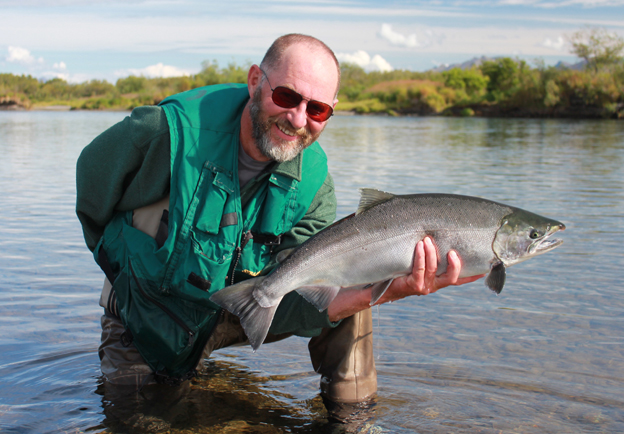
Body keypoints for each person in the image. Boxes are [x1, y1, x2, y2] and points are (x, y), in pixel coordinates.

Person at [76, 33, 482, 412]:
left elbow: (293, 302)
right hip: (148, 313)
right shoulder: (166, 133)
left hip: (242, 303)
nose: (299, 119)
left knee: (352, 275)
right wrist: (123, 274)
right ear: (255, 81)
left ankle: (352, 415)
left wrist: (384, 291)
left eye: (318, 109)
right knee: (137, 417)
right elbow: (93, 194)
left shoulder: (315, 186)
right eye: (287, 95)